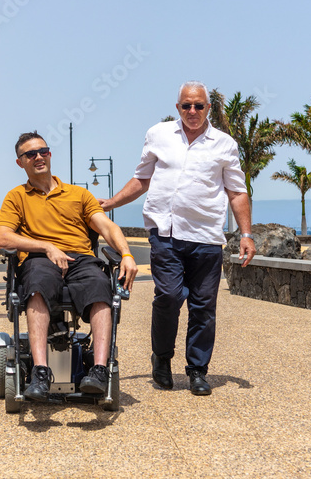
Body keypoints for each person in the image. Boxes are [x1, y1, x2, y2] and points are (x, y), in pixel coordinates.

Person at [99, 81, 256, 396]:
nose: (193, 111)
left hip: (207, 237)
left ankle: (197, 370)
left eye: (199, 105)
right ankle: (162, 357)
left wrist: (247, 233)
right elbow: (142, 179)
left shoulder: (224, 144)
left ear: (208, 108)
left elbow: (237, 192)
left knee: (203, 306)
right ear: (178, 108)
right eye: (187, 106)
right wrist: (111, 203)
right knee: (169, 296)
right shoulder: (158, 135)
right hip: (165, 232)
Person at [0, 131, 137, 401]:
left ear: (50, 154)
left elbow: (106, 226)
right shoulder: (17, 197)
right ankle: (39, 372)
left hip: (80, 257)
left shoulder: (78, 194)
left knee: (99, 284)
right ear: (20, 162)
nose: (38, 157)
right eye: (30, 154)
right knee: (36, 285)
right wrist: (46, 246)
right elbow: (2, 237)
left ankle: (99, 370)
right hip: (39, 258)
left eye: (43, 151)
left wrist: (127, 254)